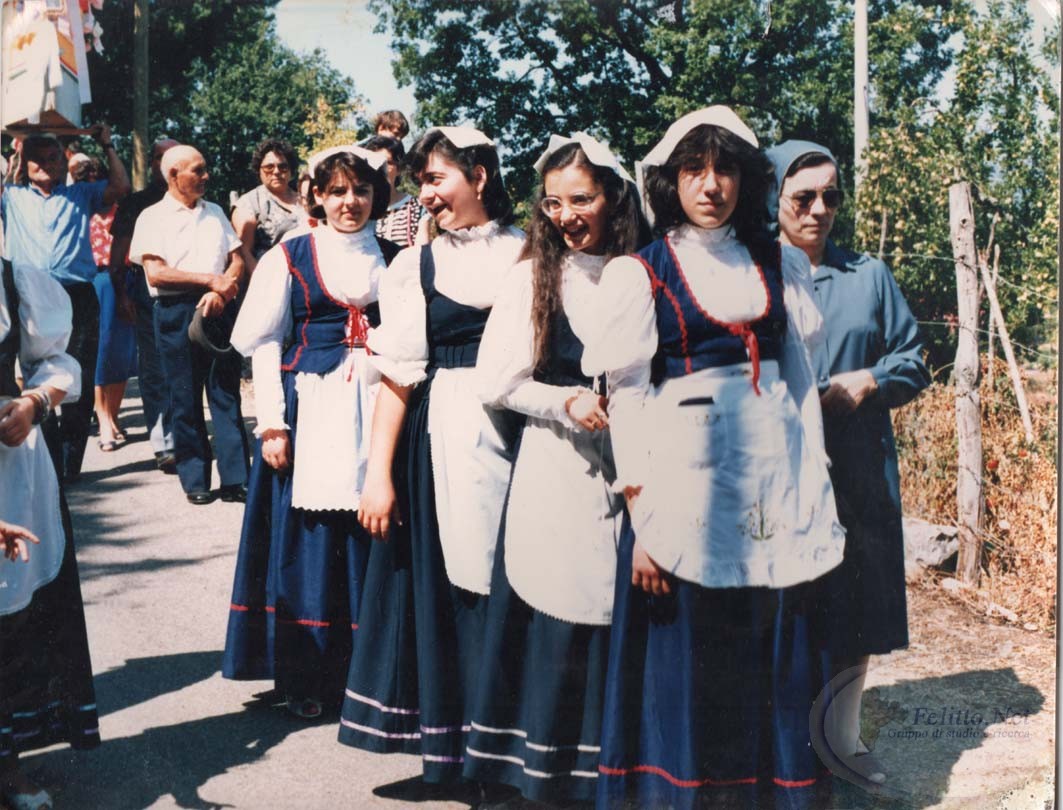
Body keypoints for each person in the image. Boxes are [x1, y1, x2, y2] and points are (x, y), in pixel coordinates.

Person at [587, 107, 846, 810]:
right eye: (694, 170)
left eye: (724, 168)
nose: (710, 186)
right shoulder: (641, 274)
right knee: (688, 658)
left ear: (745, 179)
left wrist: (808, 488)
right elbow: (629, 397)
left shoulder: (778, 263)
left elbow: (797, 381)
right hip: (680, 487)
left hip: (767, 482)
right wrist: (640, 519)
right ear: (670, 182)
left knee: (767, 650)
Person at [463, 134, 650, 804]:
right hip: (554, 468)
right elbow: (497, 381)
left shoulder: (643, 271)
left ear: (613, 198)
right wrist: (564, 400)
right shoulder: (532, 275)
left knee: (620, 613)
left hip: (634, 470)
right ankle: (538, 778)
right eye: (553, 202)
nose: (566, 215)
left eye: (582, 199)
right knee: (558, 610)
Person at [338, 126, 524, 784]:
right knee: (458, 593)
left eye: (437, 178)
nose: (427, 195)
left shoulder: (534, 254)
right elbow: (397, 376)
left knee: (523, 587)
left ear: (478, 175)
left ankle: (524, 755)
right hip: (443, 434)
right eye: (420, 182)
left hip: (531, 436)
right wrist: (378, 475)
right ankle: (466, 757)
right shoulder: (414, 267)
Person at [767, 140, 930, 783]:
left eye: (831, 196)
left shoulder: (869, 276)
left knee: (854, 608)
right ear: (774, 198)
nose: (818, 210)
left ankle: (844, 740)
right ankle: (780, 750)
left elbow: (913, 357)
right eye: (802, 197)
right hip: (778, 470)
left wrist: (869, 380)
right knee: (787, 608)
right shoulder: (755, 273)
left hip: (858, 467)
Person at [222, 144, 399, 719]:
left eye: (362, 190)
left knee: (371, 533)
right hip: (311, 407)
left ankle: (367, 673)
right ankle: (308, 674)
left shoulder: (397, 256)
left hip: (377, 404)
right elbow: (266, 341)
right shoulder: (290, 255)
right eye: (339, 191)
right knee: (311, 540)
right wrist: (271, 423)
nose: (352, 202)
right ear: (317, 196)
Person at [0, 258, 99, 810]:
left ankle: (8, 763)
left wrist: (35, 403)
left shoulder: (16, 281)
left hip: (10, 466)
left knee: (11, 625)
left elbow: (57, 362)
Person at [2, 126, 131, 480]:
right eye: (36, 160)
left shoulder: (81, 194)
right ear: (25, 163)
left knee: (78, 379)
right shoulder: (10, 197)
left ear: (64, 161)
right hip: (27, 294)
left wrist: (105, 142)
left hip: (76, 295)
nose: (44, 165)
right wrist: (10, 144)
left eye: (52, 158)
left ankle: (68, 468)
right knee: (29, 380)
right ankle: (41, 460)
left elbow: (120, 187)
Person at [129, 145, 250, 505]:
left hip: (218, 309)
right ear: (173, 176)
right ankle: (195, 478)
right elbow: (156, 272)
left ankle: (235, 478)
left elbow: (236, 260)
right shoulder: (152, 217)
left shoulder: (214, 212)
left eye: (205, 168)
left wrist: (222, 291)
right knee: (184, 396)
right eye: (197, 170)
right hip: (175, 311)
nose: (205, 176)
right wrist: (210, 282)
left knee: (225, 393)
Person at [108, 137, 180, 473]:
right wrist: (122, 294)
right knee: (154, 370)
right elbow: (117, 256)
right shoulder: (136, 204)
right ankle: (164, 444)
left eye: (172, 157)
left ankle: (185, 437)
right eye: (159, 158)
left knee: (183, 368)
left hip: (187, 293)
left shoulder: (198, 200)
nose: (165, 164)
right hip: (145, 291)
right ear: (152, 164)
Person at [72, 157, 138, 453]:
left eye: (99, 176)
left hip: (124, 279)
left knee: (122, 352)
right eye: (86, 177)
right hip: (95, 280)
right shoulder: (76, 211)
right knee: (100, 350)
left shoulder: (123, 210)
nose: (94, 181)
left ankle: (112, 413)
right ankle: (102, 418)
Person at [231, 139, 306, 274]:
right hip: (270, 278)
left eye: (283, 167)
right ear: (259, 170)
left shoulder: (305, 200)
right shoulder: (248, 203)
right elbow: (243, 252)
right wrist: (263, 282)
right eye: (269, 167)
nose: (276, 172)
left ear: (290, 170)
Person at [363, 135, 429, 247]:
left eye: (387, 162)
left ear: (399, 168)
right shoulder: (361, 207)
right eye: (374, 162)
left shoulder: (418, 206)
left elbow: (422, 252)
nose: (379, 167)